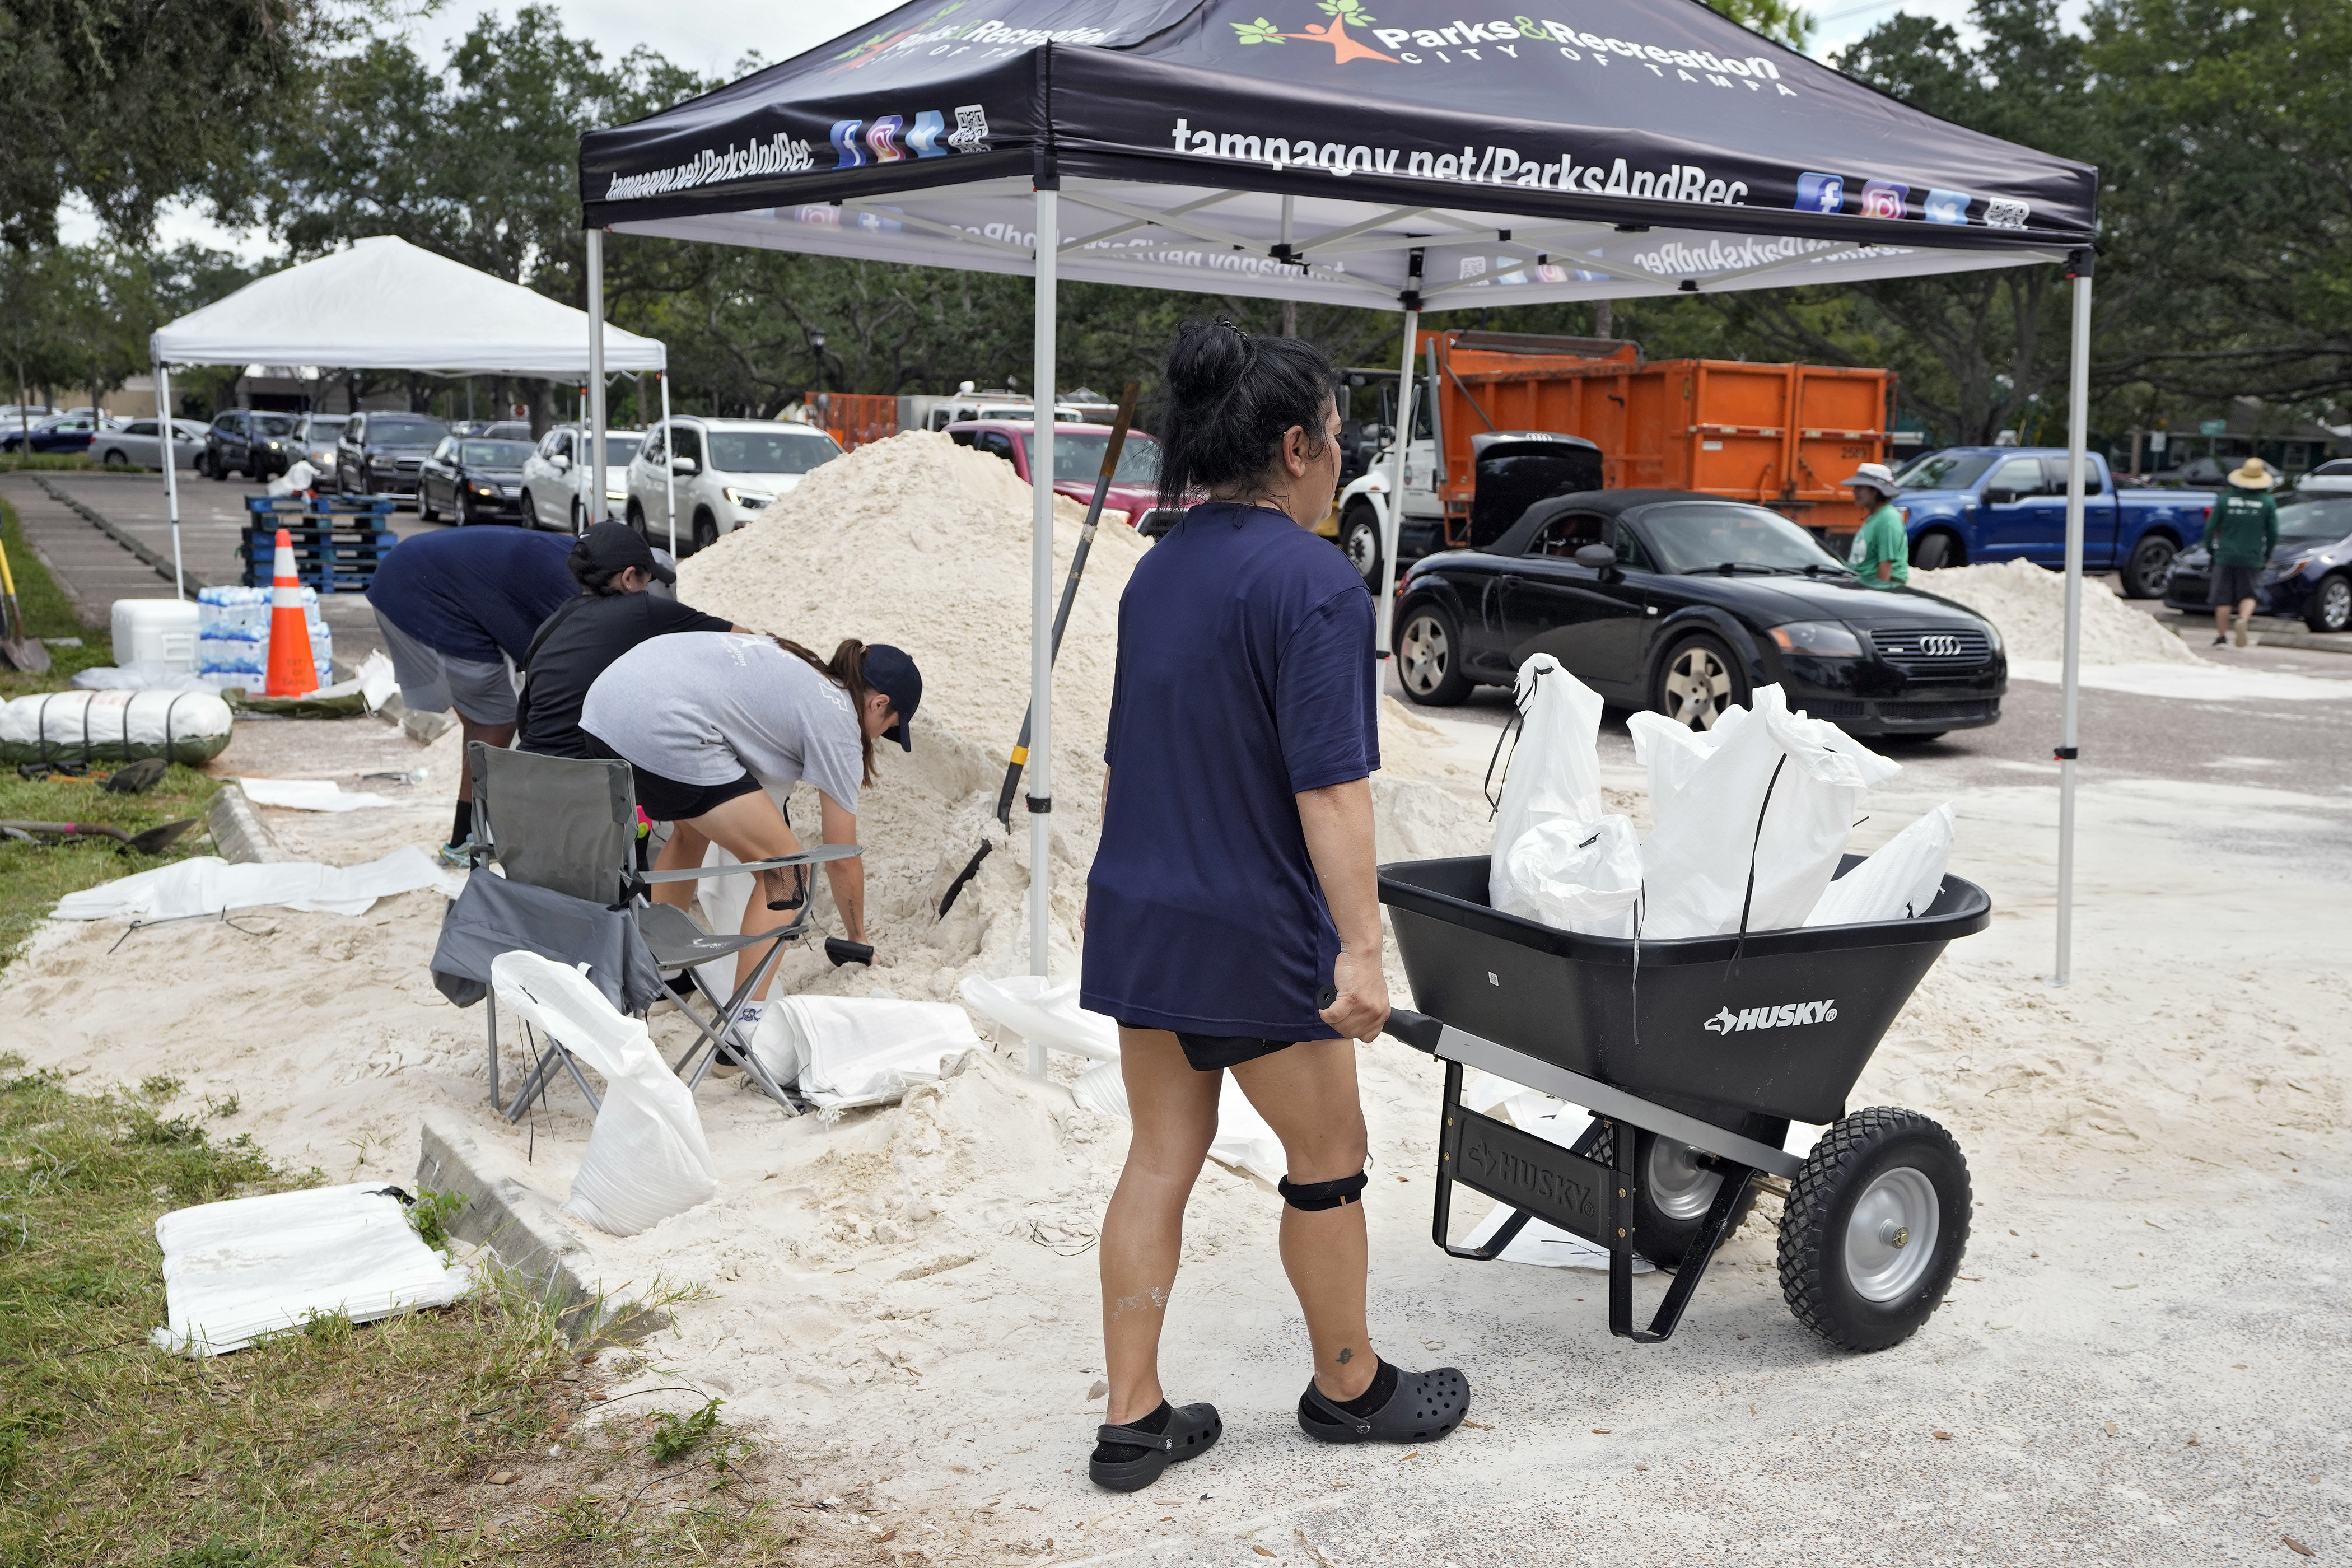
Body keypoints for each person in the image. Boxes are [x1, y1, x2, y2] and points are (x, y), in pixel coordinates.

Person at [1078, 320, 1469, 1496]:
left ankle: (1132, 1421)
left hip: (1144, 905)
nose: (1343, 459)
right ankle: (1349, 1386)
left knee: (1161, 1151)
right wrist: (1363, 949)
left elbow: (1127, 758)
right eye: (1338, 438)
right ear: (1296, 447)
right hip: (1251, 926)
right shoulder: (1316, 583)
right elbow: (1331, 788)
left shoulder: (1157, 567)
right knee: (1330, 1155)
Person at [578, 631, 921, 1009]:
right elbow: (842, 855)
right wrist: (857, 938)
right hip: (664, 729)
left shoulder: (799, 661)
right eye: (889, 727)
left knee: (691, 832)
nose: (880, 736)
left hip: (605, 707)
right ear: (878, 703)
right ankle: (745, 1022)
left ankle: (662, 980)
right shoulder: (840, 721)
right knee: (787, 873)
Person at [365, 525, 575, 861]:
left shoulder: (577, 560)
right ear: (627, 576)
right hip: (422, 593)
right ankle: (469, 840)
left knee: (482, 727)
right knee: (499, 721)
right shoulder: (578, 588)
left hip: (406, 576)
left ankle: (465, 837)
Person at [513, 521, 745, 759]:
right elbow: (744, 640)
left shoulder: (552, 624)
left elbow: (526, 720)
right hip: (587, 776)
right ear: (629, 577)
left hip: (524, 768)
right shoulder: (643, 610)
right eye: (647, 581)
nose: (648, 590)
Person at [2206, 458, 2279, 647]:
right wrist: (2268, 553)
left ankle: (2221, 637)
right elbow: (2273, 533)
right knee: (2249, 594)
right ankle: (2243, 620)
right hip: (2252, 557)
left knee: (2223, 598)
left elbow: (2210, 528)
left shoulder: (2225, 499)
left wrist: (2211, 550)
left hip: (2225, 555)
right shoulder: (2267, 502)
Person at [1843, 462, 1910, 586]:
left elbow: (1885, 568)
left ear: (1875, 491)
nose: (1854, 491)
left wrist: (1878, 595)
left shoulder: (1888, 519)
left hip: (1874, 590)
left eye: (1860, 487)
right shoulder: (1875, 516)